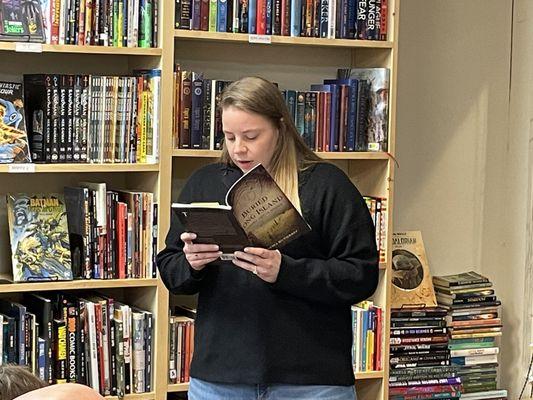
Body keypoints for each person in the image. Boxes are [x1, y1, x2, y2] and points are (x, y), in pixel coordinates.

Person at [157, 76, 379, 400]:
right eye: (229, 137)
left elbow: (361, 275)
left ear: (280, 127)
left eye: (251, 136)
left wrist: (286, 271)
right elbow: (170, 269)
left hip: (312, 381)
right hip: (221, 378)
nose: (238, 148)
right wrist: (192, 264)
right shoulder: (205, 183)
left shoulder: (326, 185)